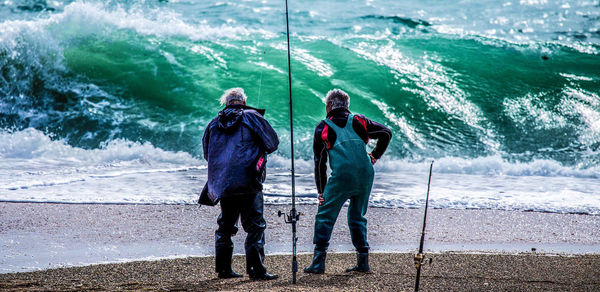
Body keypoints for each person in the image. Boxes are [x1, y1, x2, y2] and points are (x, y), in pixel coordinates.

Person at [304, 89, 392, 274]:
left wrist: (321, 191)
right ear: (347, 106)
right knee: (357, 216)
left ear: (329, 106)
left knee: (325, 216)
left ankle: (318, 263)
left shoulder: (323, 127)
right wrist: (374, 156)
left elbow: (319, 162)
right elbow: (386, 133)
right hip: (366, 174)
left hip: (342, 177)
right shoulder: (359, 120)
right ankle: (363, 262)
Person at [200, 88, 279, 280]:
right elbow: (273, 143)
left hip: (224, 182)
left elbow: (207, 155)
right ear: (243, 102)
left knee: (225, 226)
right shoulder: (252, 116)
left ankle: (224, 270)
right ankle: (256, 270)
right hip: (249, 179)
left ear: (226, 103)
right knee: (255, 226)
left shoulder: (213, 123)